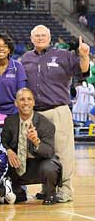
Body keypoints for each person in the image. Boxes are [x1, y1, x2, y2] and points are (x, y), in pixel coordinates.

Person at [21, 25, 90, 203]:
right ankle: (48, 187)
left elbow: (83, 70)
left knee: (63, 152)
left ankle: (66, 189)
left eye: (44, 35)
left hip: (58, 110)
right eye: (37, 35)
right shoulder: (26, 58)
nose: (40, 38)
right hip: (35, 114)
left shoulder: (63, 55)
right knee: (40, 151)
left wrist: (84, 56)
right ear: (31, 38)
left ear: (50, 37)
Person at [1, 88, 62, 205]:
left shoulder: (46, 124)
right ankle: (17, 192)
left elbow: (49, 152)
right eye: (22, 99)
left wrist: (37, 143)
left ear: (34, 102)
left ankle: (50, 193)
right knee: (1, 161)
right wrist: (8, 150)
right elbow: (3, 141)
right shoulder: (10, 121)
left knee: (50, 166)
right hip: (18, 164)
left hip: (39, 164)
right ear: (16, 103)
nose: (26, 103)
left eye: (29, 99)